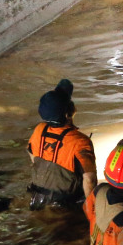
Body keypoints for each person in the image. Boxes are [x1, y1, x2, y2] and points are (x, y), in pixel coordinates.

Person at [27, 78, 96, 209]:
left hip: (36, 198)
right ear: (69, 111)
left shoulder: (39, 129)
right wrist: (92, 211)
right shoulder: (80, 141)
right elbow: (89, 180)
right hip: (64, 206)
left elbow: (32, 156)